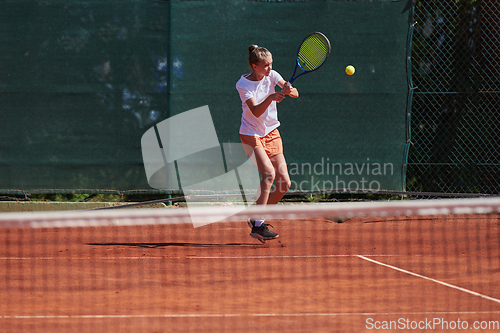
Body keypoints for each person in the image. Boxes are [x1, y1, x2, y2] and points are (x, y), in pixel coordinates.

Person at [235, 45, 299, 243]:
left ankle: (256, 216)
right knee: (269, 174)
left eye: (271, 64)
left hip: (271, 133)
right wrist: (271, 97)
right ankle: (257, 226)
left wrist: (288, 90)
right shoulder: (243, 84)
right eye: (265, 65)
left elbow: (295, 93)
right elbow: (255, 111)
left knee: (285, 183)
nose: (270, 68)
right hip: (250, 135)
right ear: (254, 66)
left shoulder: (272, 75)